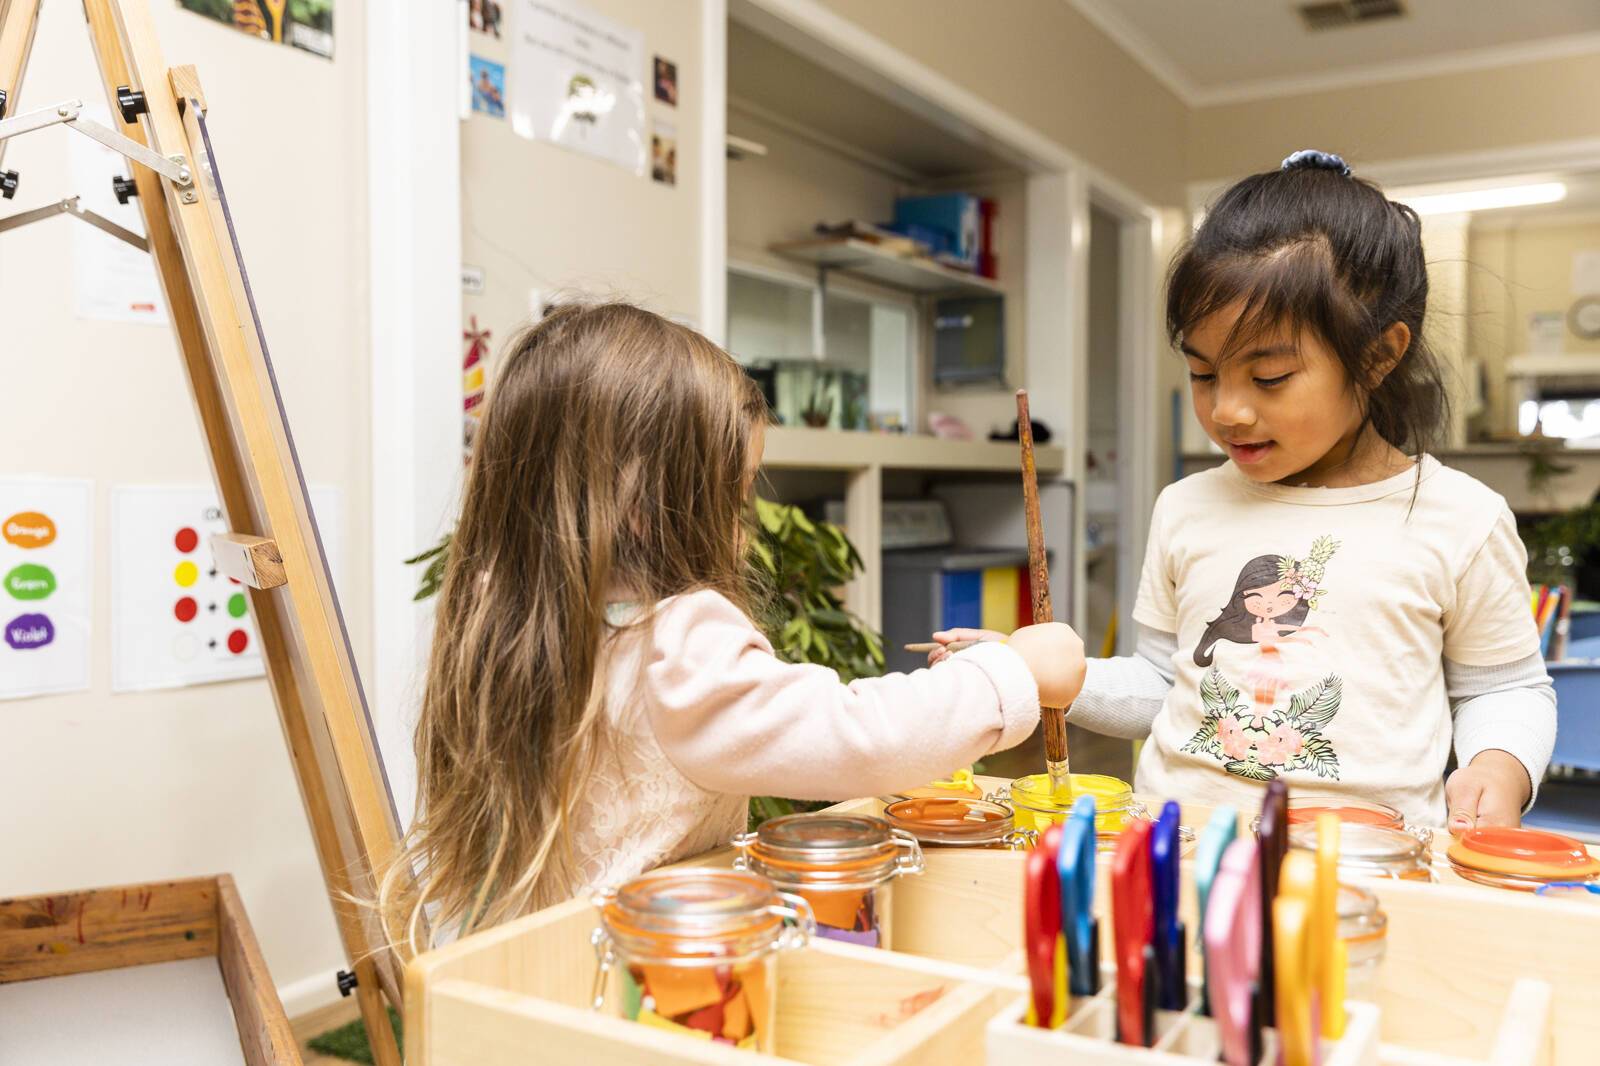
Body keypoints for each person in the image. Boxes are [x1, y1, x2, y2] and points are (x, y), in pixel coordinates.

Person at [378, 302, 1085, 948]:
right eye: (734, 495)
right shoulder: (677, 648)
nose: (742, 523)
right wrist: (1014, 670)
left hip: (507, 975)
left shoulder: (497, 606)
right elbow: (862, 734)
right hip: (640, 988)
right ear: (645, 507)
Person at [932, 150, 1555, 832]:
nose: (1227, 410)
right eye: (1203, 374)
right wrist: (1056, 674)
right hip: (1178, 852)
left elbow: (1506, 686)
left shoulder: (1459, 518)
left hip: (1368, 868)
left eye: (1269, 377)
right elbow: (1165, 685)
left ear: (1378, 356)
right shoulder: (1186, 506)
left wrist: (1500, 765)